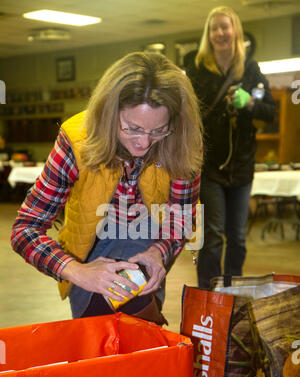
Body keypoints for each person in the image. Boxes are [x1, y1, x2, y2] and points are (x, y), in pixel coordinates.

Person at [11, 52, 203, 325]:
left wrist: (159, 252)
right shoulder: (77, 139)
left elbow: (181, 217)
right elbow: (24, 230)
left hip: (149, 231)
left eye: (158, 131)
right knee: (96, 324)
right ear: (109, 114)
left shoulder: (183, 140)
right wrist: (77, 270)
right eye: (132, 128)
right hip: (90, 239)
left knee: (137, 318)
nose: (144, 144)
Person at [184, 6, 275, 289]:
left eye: (225, 27)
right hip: (209, 165)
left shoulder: (250, 68)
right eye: (214, 28)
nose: (220, 33)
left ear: (235, 30)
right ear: (208, 35)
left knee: (237, 237)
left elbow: (269, 112)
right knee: (213, 234)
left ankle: (233, 290)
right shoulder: (196, 67)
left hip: (242, 166)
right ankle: (208, 293)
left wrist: (249, 103)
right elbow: (185, 109)